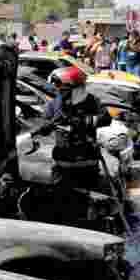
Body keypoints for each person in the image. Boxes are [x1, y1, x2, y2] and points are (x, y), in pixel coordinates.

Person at [37, 65, 112, 195]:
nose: (60, 93)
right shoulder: (54, 104)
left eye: (64, 90)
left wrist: (84, 121)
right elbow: (44, 125)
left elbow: (106, 119)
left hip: (87, 163)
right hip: (62, 164)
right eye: (59, 90)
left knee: (90, 202)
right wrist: (45, 127)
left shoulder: (92, 101)